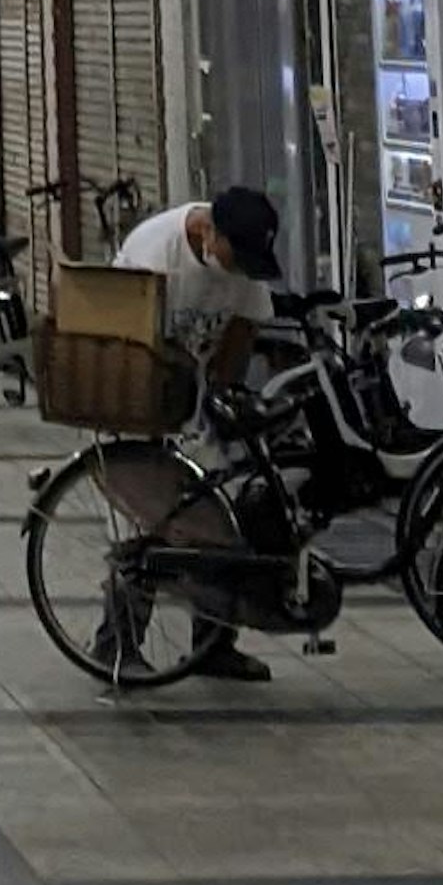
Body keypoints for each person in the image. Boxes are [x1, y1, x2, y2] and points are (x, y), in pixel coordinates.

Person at [112, 183, 288, 678]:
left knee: (220, 520)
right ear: (208, 231)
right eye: (236, 256)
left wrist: (225, 404)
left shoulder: (243, 266)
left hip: (193, 402)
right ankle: (117, 644)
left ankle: (213, 644)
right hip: (138, 398)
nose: (239, 270)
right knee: (151, 526)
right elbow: (129, 340)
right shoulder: (156, 253)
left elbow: (243, 331)